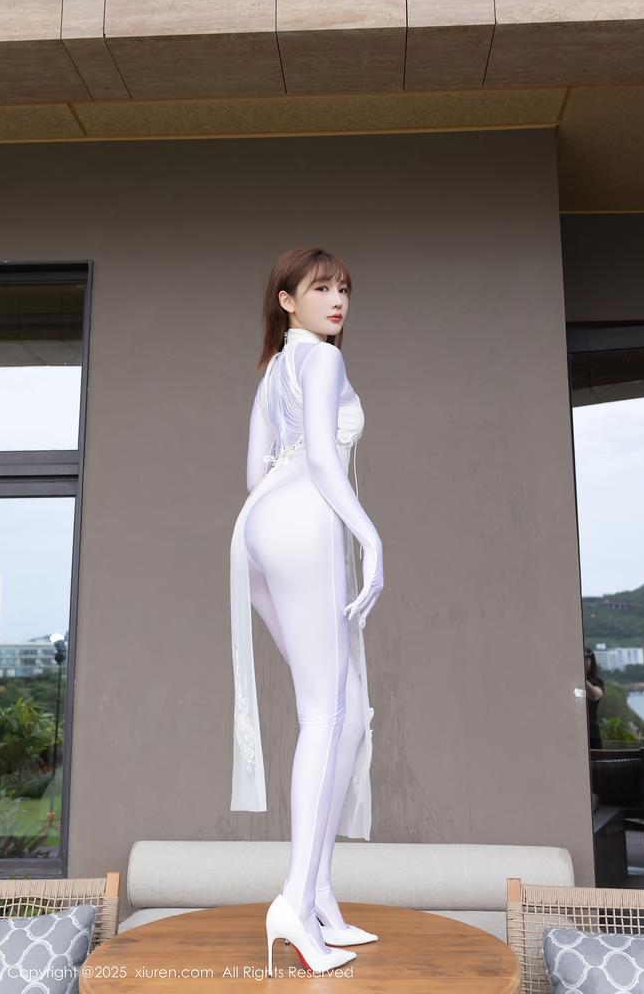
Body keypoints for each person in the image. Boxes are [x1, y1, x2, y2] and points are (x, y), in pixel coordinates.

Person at [229, 247, 384, 975]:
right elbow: (322, 459)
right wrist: (370, 536)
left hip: (257, 532)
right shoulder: (321, 360)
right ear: (287, 300)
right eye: (321, 288)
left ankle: (320, 893)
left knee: (344, 711)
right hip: (305, 525)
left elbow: (254, 473)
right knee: (326, 713)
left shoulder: (271, 374)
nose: (338, 299)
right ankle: (293, 900)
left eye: (343, 288)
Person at [584, 646, 605, 749]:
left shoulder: (597, 681)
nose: (584, 662)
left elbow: (595, 695)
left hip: (592, 732)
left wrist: (582, 678)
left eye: (586, 659)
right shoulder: (569, 682)